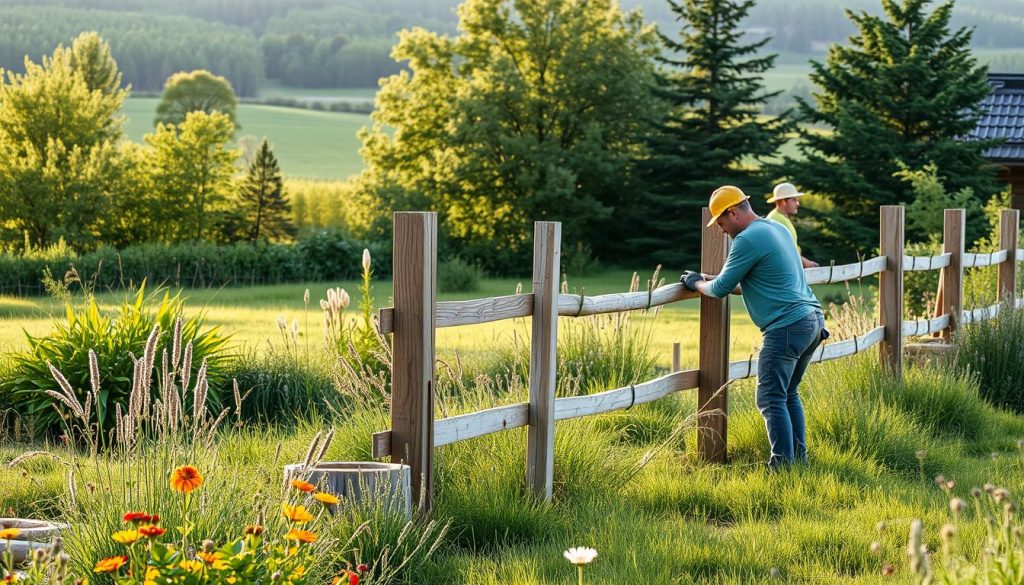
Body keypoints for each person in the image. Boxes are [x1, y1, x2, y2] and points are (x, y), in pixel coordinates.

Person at [680, 185, 829, 470]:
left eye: (721, 223)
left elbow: (722, 288)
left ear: (733, 213)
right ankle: (799, 462)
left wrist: (694, 283)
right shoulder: (776, 229)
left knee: (771, 397)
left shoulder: (747, 239)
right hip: (812, 320)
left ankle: (782, 466)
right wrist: (707, 277)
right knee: (788, 394)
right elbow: (741, 282)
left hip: (786, 326)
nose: (722, 231)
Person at [766, 182, 819, 268]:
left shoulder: (781, 217)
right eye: (794, 200)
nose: (797, 204)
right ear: (783, 201)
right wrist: (805, 262)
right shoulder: (776, 220)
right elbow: (785, 249)